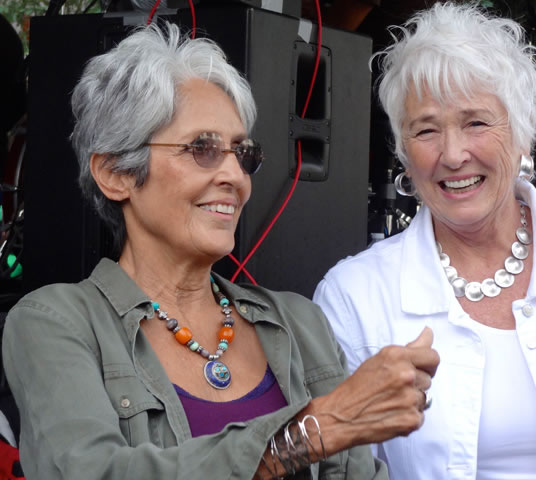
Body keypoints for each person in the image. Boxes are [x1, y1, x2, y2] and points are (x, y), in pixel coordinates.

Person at [1, 23, 440, 480]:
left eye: (242, 153)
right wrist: (316, 431)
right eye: (203, 149)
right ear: (116, 174)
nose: (236, 177)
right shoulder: (55, 322)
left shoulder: (300, 323)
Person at [313, 3, 536, 479]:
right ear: (404, 155)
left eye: (476, 123)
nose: (452, 154)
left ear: (523, 134)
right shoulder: (354, 297)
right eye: (426, 130)